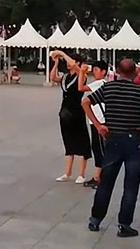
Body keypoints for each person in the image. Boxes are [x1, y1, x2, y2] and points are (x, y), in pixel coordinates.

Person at [82, 57, 140, 237]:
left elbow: (85, 102)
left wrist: (98, 125)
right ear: (135, 72)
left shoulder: (108, 87)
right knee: (131, 186)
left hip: (113, 139)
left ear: (118, 72)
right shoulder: (139, 90)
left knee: (106, 182)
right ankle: (124, 224)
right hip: (133, 140)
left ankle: (95, 219)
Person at [50, 50, 91, 184]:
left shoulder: (81, 74)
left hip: (77, 111)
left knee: (82, 141)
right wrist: (56, 63)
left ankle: (81, 174)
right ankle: (67, 173)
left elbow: (73, 65)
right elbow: (53, 78)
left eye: (72, 61)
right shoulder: (66, 77)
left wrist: (62, 53)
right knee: (68, 141)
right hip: (65, 111)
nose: (68, 64)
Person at [79, 60, 110, 189]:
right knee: (98, 148)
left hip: (99, 121)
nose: (94, 72)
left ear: (103, 72)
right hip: (97, 120)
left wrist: (81, 72)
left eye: (97, 70)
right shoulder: (103, 83)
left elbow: (80, 88)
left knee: (99, 149)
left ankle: (101, 177)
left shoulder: (99, 83)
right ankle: (97, 176)